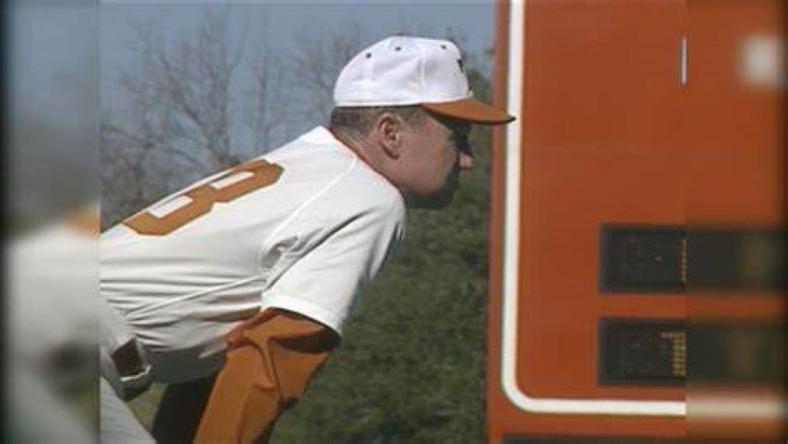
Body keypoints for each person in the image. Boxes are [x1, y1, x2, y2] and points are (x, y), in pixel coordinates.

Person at [100, 35, 514, 443]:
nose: (467, 158)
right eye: (456, 136)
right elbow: (274, 355)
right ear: (390, 132)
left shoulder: (305, 167)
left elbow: (224, 367)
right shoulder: (369, 197)